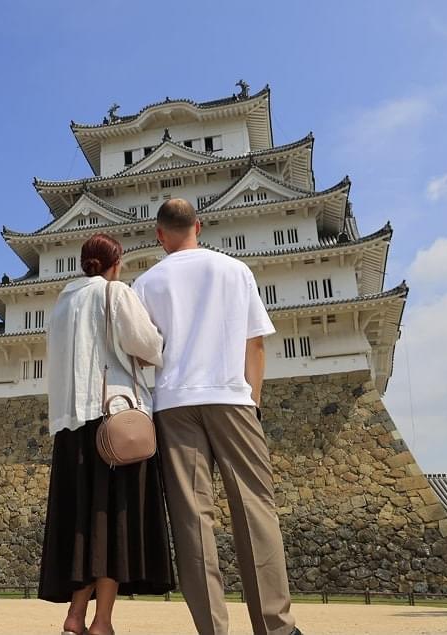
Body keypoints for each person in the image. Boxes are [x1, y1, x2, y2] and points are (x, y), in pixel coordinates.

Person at [134, 198, 301, 635]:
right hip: (231, 397)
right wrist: (254, 401)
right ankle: (276, 627)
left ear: (159, 234)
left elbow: (139, 351)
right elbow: (256, 344)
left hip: (173, 404)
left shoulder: (146, 283)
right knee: (255, 508)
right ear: (198, 226)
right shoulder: (234, 270)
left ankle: (212, 629)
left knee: (193, 519)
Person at [39, 233, 175, 635]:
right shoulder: (115, 293)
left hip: (71, 428)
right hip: (113, 423)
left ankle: (75, 616)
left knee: (85, 525)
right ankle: (102, 621)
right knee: (115, 521)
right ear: (115, 264)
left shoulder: (62, 304)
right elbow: (148, 344)